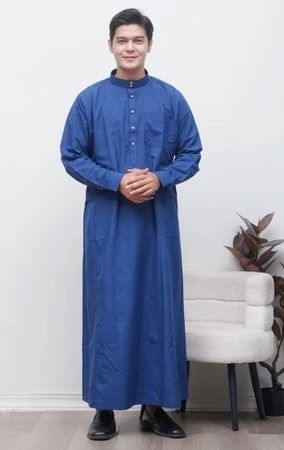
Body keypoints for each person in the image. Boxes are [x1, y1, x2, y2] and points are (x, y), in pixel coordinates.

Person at [60, 8, 202, 441]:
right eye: (122, 40)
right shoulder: (89, 100)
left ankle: (154, 409)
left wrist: (159, 177)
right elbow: (71, 155)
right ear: (110, 45)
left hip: (157, 224)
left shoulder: (171, 99)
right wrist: (116, 181)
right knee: (108, 311)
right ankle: (104, 410)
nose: (130, 47)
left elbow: (192, 153)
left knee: (157, 310)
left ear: (149, 44)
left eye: (137, 40)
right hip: (108, 224)